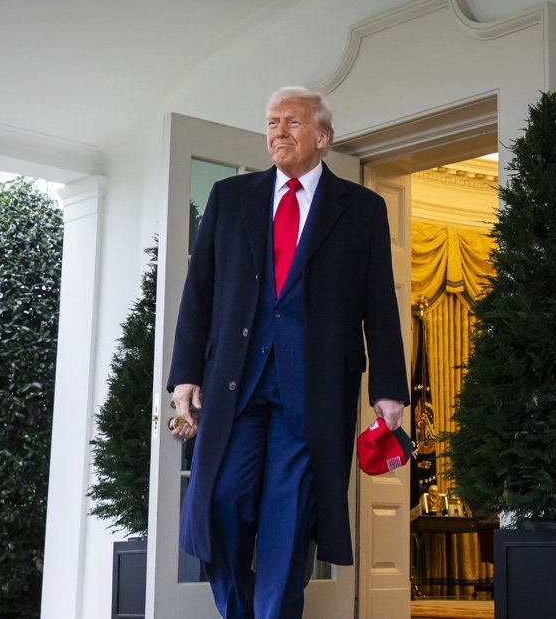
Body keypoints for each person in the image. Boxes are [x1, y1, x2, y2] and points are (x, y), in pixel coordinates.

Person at [167, 86, 409, 618]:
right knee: (220, 503)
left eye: (293, 122)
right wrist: (185, 373)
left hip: (315, 390)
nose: (279, 130)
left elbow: (378, 301)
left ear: (322, 137)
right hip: (237, 382)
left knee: (288, 518)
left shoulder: (362, 209)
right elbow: (200, 288)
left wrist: (390, 387)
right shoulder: (232, 199)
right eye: (272, 121)